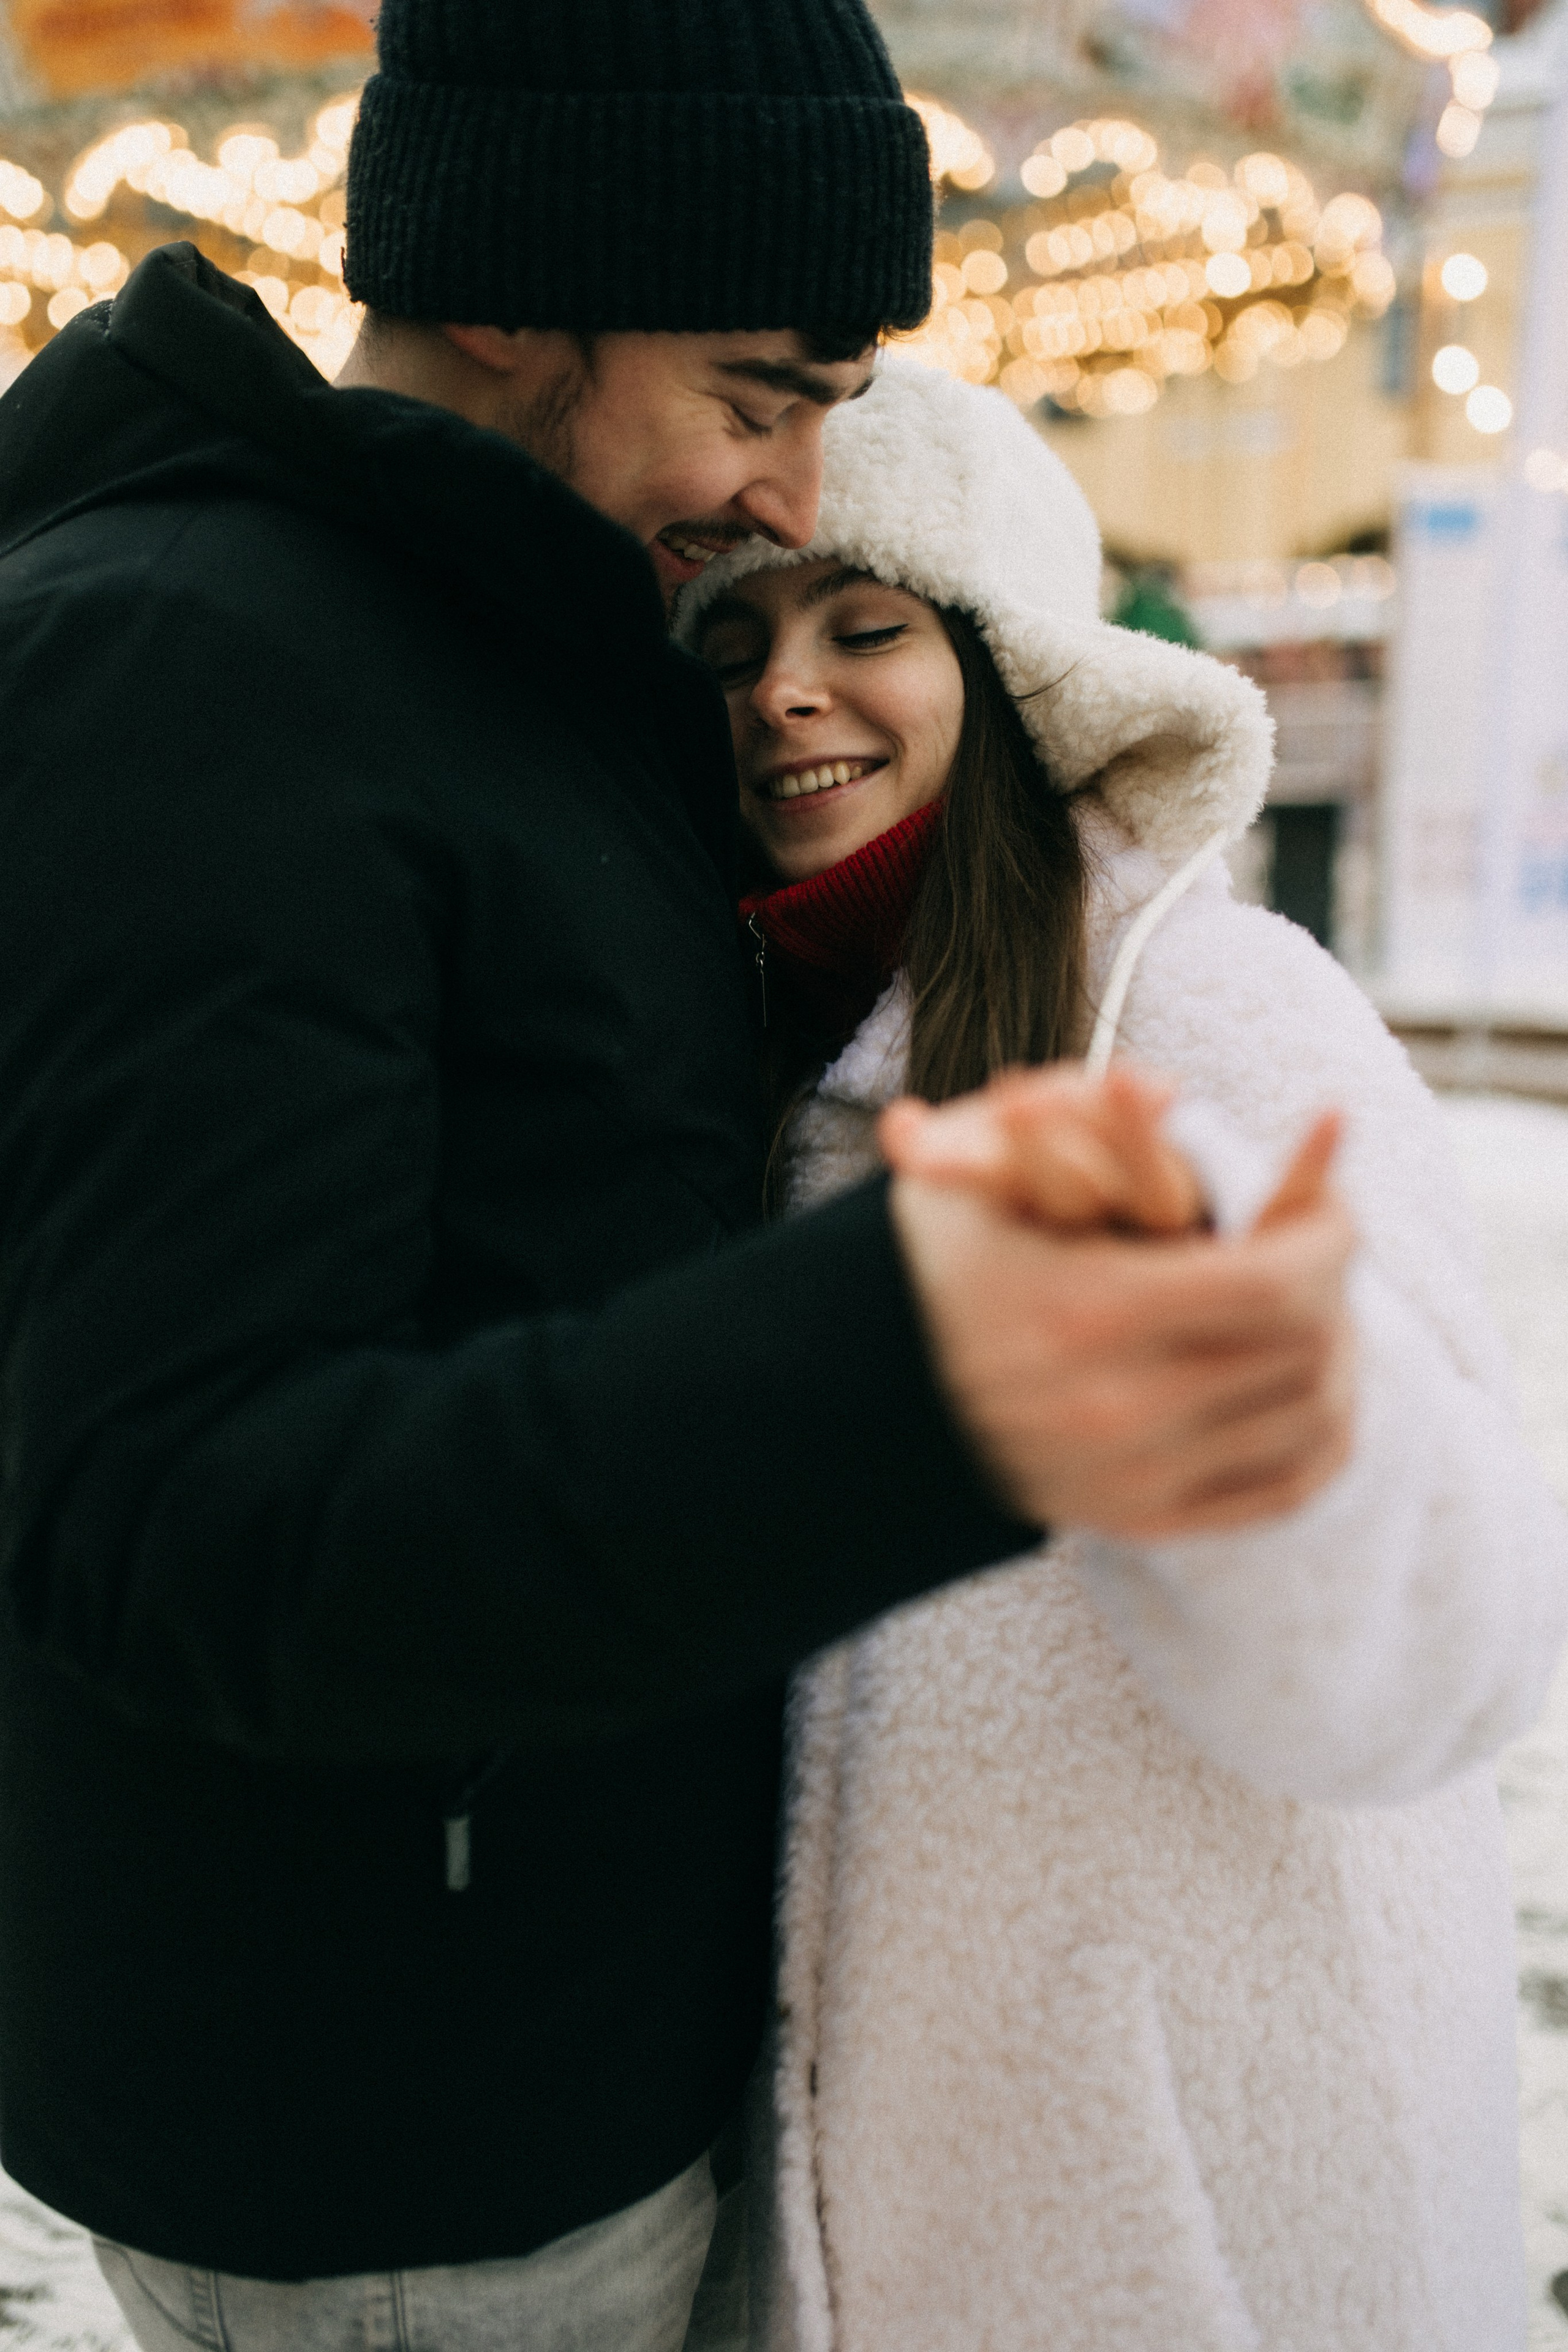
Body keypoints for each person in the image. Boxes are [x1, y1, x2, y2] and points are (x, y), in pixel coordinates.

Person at [0, 7, 1355, 2348]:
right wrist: (916, 1354)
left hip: (548, 2050)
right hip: (409, 2152)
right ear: (517, 301)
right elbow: (175, 1509)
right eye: (758, 394)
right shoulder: (202, 675)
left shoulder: (491, 656)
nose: (800, 493)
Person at [680, 358, 1568, 2352]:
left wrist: (1289, 1441)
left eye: (866, 625)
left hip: (1204, 2238)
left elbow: (1474, 1625)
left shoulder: (1213, 1012)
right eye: (734, 644)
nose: (784, 689)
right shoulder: (754, 1087)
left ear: (1004, 678)